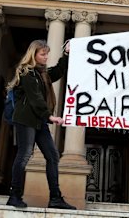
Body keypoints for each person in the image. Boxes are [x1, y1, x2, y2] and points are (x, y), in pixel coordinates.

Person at [6, 39, 76, 210]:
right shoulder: (26, 73)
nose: (46, 57)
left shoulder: (42, 74)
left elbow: (58, 71)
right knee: (24, 155)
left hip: (39, 121)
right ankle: (14, 196)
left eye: (47, 54)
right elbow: (35, 98)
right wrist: (50, 116)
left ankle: (55, 198)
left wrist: (67, 53)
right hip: (26, 119)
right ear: (34, 54)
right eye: (43, 54)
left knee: (52, 156)